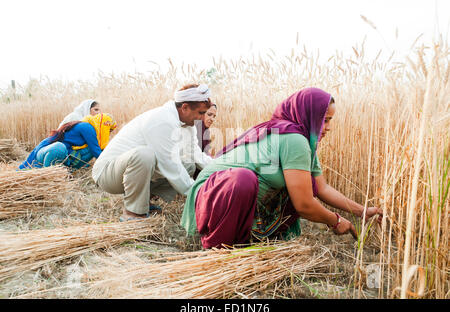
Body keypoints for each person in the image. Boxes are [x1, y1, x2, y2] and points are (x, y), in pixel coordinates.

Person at [181, 87, 383, 249]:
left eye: (330, 121)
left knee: (302, 185)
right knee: (244, 179)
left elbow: (322, 188)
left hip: (223, 197)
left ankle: (246, 238)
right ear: (310, 116)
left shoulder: (302, 142)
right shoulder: (294, 139)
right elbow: (303, 204)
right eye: (325, 120)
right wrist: (335, 220)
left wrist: (361, 211)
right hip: (209, 196)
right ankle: (219, 246)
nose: (328, 127)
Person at [92, 84, 212, 222]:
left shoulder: (188, 125)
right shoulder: (162, 120)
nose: (202, 118)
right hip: (107, 174)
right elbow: (170, 164)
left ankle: (144, 201)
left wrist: (221, 167)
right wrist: (197, 194)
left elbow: (195, 155)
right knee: (145, 155)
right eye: (201, 113)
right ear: (184, 107)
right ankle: (133, 212)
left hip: (129, 171)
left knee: (189, 164)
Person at [19, 113, 116, 170]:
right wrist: (113, 166)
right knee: (60, 148)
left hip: (59, 155)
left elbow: (96, 151)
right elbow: (97, 152)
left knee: (87, 150)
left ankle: (67, 172)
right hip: (46, 153)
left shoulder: (91, 129)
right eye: (108, 130)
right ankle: (46, 176)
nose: (108, 134)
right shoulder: (87, 127)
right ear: (103, 126)